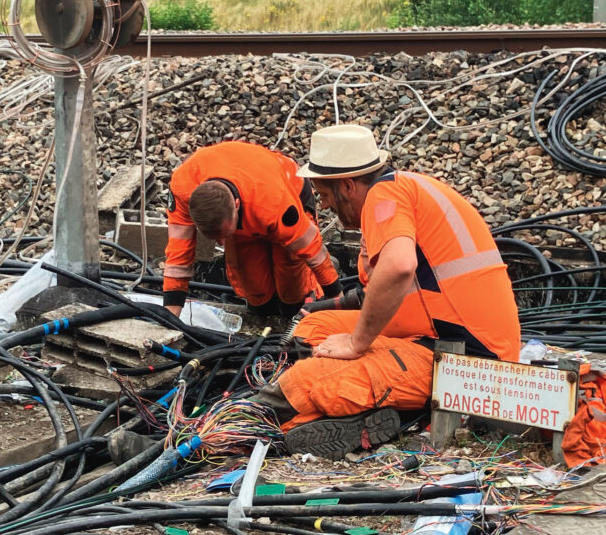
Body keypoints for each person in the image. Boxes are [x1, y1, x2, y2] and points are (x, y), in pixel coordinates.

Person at [255, 124, 521, 460]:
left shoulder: (385, 196)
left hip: (466, 360)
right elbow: (390, 288)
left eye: (324, 195)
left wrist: (357, 343)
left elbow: (398, 268)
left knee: (307, 381)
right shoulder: (406, 187)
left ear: (347, 185)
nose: (325, 208)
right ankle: (363, 413)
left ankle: (266, 422)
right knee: (315, 329)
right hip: (436, 334)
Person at [162, 141, 342, 318]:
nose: (220, 243)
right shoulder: (182, 190)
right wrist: (170, 318)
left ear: (237, 206)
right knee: (253, 287)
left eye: (224, 235)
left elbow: (313, 251)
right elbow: (178, 258)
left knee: (291, 281)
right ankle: (263, 311)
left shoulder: (275, 204)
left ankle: (294, 308)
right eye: (216, 238)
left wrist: (336, 297)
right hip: (246, 198)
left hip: (281, 189)